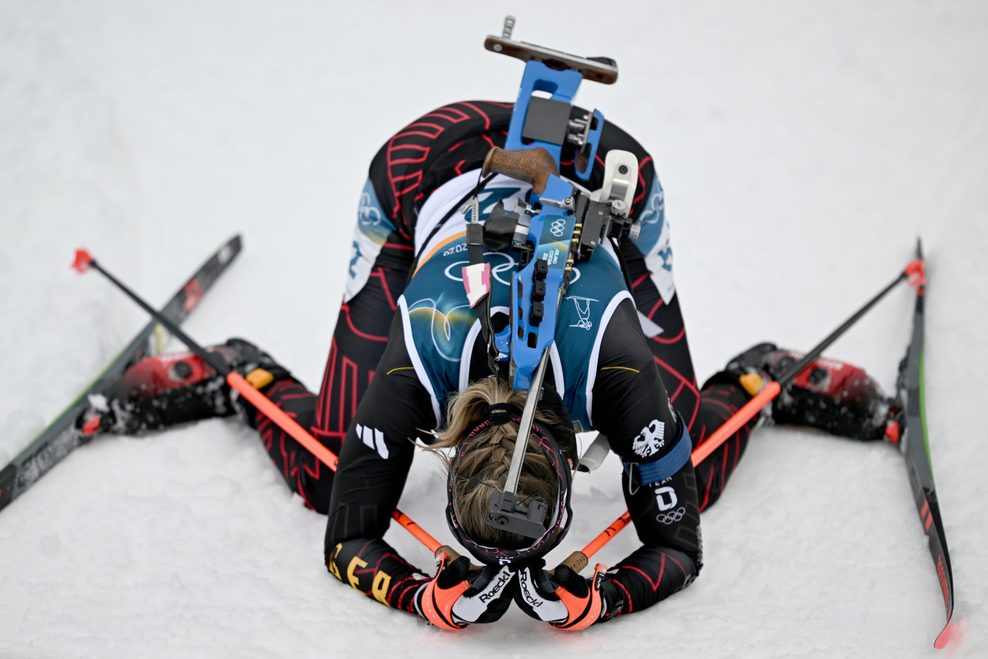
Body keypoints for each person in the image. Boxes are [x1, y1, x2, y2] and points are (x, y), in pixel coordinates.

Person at [97, 101, 895, 630]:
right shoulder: (416, 366)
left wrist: (432, 594)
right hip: (428, 173)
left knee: (689, 462)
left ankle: (767, 377)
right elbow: (346, 532)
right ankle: (239, 375)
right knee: (325, 470)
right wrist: (581, 597)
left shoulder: (615, 376)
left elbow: (681, 546)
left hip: (599, 173)